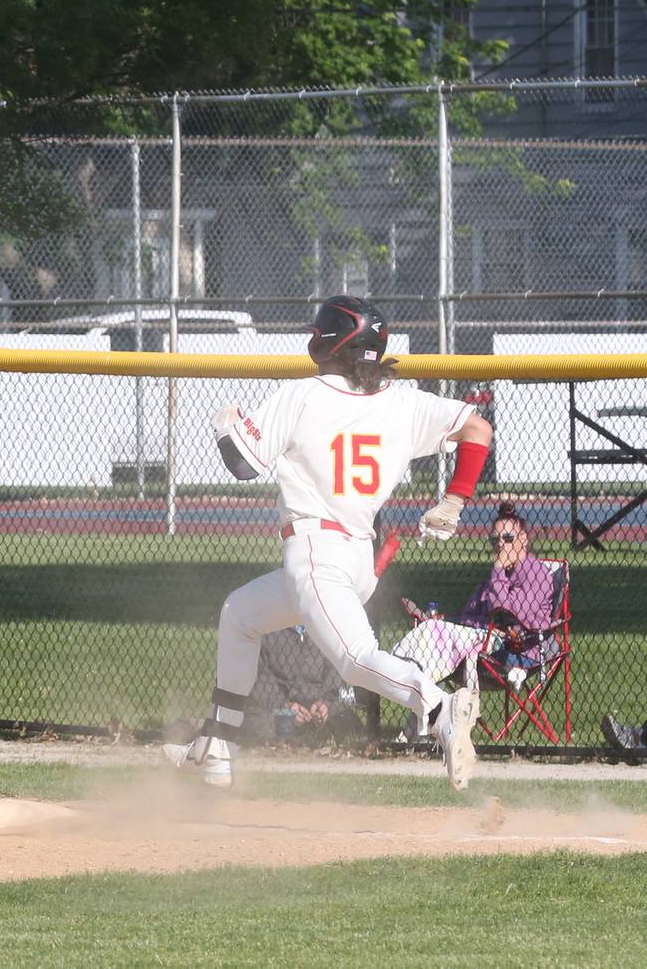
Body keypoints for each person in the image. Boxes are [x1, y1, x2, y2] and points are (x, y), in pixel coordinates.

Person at [166, 295, 494, 791]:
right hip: (355, 557)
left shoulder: (304, 395)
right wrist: (454, 501)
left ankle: (438, 704)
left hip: (317, 553)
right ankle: (218, 743)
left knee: (354, 657)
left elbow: (241, 465)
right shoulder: (403, 401)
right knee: (240, 614)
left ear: (332, 342)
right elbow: (478, 428)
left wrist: (224, 426)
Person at [392, 502, 556, 694]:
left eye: (508, 538)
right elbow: (468, 615)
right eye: (495, 540)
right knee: (431, 631)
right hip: (484, 641)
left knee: (433, 641)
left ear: (524, 539)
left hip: (521, 652)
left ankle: (407, 677)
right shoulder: (500, 576)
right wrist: (472, 624)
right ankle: (409, 676)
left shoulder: (537, 574)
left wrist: (497, 571)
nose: (500, 544)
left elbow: (508, 614)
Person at [244, 625, 361, 743]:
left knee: (348, 721)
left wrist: (325, 704)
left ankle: (317, 738)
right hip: (280, 707)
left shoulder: (325, 630)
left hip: (316, 706)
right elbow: (261, 677)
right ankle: (287, 742)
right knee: (257, 723)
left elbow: (333, 675)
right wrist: (283, 705)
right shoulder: (267, 628)